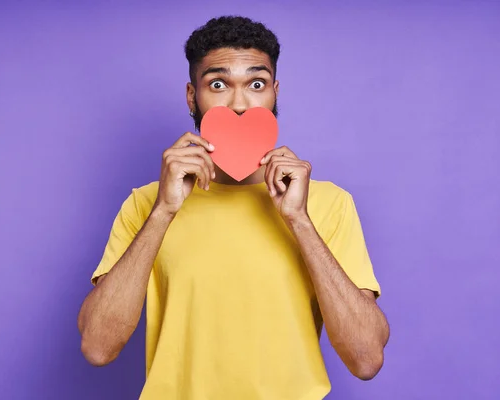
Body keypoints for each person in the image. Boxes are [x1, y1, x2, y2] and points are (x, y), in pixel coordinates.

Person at [77, 15, 390, 400]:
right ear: (193, 96)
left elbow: (366, 359)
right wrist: (163, 212)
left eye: (256, 84)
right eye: (219, 84)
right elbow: (97, 347)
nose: (239, 103)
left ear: (275, 92)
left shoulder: (328, 203)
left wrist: (299, 220)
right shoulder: (145, 204)